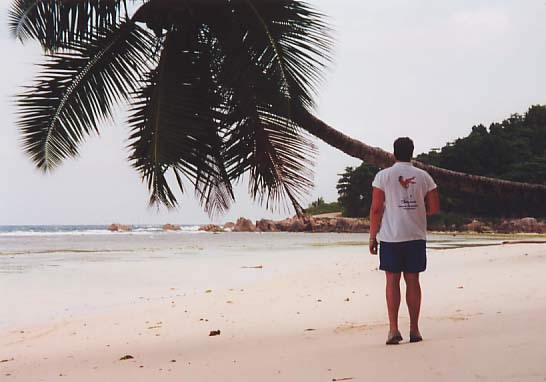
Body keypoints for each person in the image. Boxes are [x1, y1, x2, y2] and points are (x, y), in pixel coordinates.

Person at [369, 137, 440, 345]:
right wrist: (418, 210)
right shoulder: (424, 176)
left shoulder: (383, 176)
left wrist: (373, 236)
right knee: (413, 280)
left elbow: (375, 208)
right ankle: (415, 329)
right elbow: (434, 207)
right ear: (412, 152)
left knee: (392, 280)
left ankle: (393, 329)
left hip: (391, 236)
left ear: (393, 153)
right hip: (415, 235)